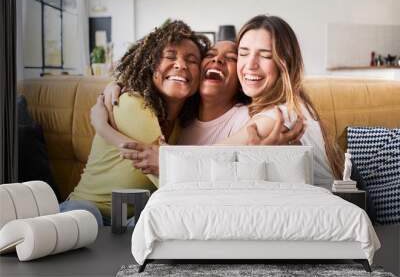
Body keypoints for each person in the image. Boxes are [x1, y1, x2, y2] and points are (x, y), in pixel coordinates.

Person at [108, 15, 344, 189]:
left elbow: (209, 161)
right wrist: (116, 85)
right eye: (243, 53)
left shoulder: (278, 118)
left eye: (265, 55)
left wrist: (165, 161)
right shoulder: (184, 115)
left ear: (286, 63)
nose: (250, 64)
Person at [60, 20, 210, 226]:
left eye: (192, 60)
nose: (181, 64)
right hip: (85, 210)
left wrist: (105, 128)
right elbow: (167, 178)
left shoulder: (184, 122)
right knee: (87, 219)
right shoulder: (132, 104)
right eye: (170, 56)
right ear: (150, 64)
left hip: (128, 221)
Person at [94, 40, 304, 176]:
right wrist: (117, 84)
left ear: (240, 79)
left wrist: (103, 127)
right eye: (210, 54)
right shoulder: (178, 118)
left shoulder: (247, 119)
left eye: (230, 58)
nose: (217, 59)